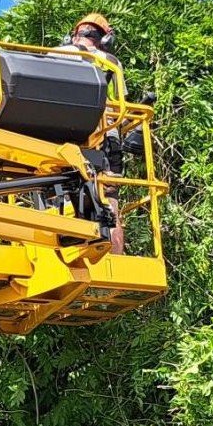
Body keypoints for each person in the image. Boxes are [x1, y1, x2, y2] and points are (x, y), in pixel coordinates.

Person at [58, 13, 126, 255]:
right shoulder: (110, 61)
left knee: (62, 192)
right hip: (105, 136)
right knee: (109, 199)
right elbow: (121, 106)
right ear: (105, 39)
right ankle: (114, 260)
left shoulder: (56, 53)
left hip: (61, 137)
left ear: (73, 35)